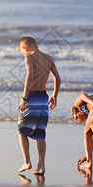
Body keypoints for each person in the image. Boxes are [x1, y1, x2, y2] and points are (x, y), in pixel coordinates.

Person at [17, 36, 61, 175]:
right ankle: (41, 166)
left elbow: (29, 76)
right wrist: (54, 95)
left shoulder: (29, 56)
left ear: (25, 48)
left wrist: (24, 98)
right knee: (40, 133)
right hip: (43, 98)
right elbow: (57, 78)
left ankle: (27, 162)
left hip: (33, 97)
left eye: (22, 52)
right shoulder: (49, 58)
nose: (23, 54)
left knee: (21, 130)